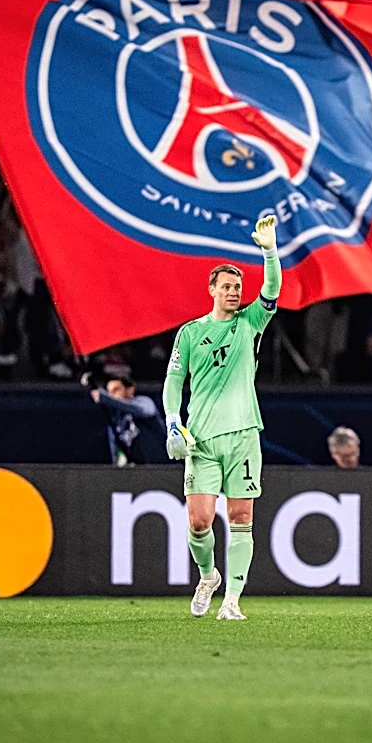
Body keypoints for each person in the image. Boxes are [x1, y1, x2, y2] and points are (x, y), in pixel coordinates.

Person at [162, 215, 281, 622]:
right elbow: (174, 380)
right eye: (226, 286)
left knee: (241, 517)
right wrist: (173, 421)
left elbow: (272, 289)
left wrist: (269, 252)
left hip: (244, 435)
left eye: (237, 287)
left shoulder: (251, 323)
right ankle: (208, 575)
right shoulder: (190, 333)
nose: (233, 292)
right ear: (212, 289)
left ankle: (232, 600)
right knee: (199, 522)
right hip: (202, 439)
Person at [83, 373, 167, 466]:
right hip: (140, 470)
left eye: (116, 390)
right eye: (109, 392)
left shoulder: (143, 402)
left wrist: (106, 398)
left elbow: (147, 411)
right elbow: (115, 450)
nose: (111, 395)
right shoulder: (115, 419)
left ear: (130, 390)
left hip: (162, 466)